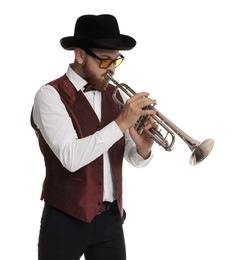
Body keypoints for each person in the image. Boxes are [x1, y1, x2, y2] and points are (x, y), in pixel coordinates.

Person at [31, 14, 157, 260]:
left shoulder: (116, 96)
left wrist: (144, 147)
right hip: (65, 219)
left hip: (111, 221)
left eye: (116, 61)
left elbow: (131, 157)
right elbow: (71, 157)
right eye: (104, 60)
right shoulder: (49, 95)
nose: (111, 69)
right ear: (80, 54)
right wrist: (121, 122)